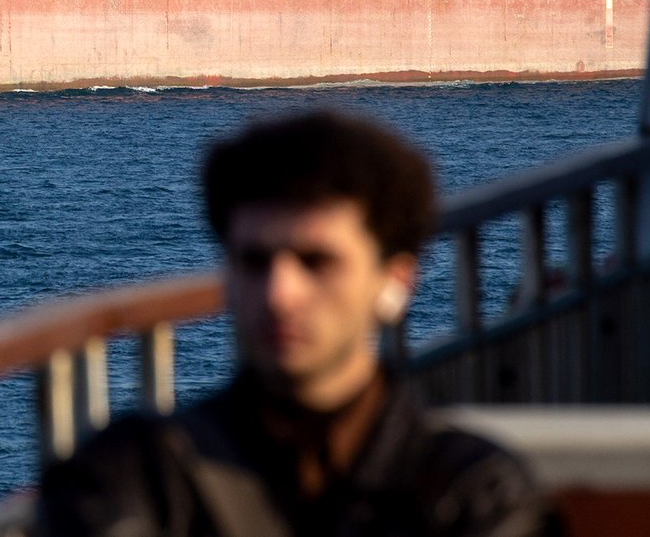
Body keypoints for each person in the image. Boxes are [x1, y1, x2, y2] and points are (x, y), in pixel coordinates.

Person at [38, 110, 543, 537]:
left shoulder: (477, 496)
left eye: (316, 262)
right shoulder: (132, 478)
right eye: (255, 262)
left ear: (395, 281)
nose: (279, 295)